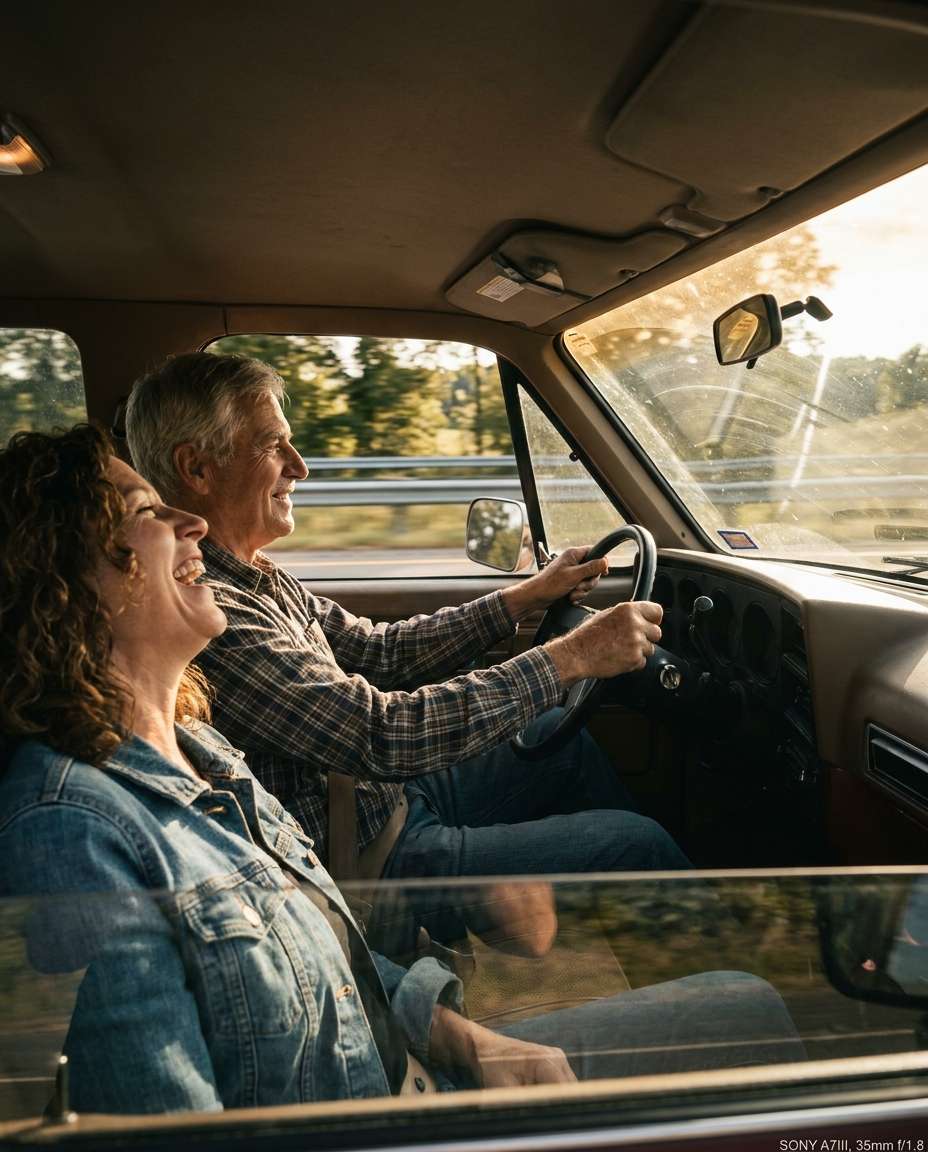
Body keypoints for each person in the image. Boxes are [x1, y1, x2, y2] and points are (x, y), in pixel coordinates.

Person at [0, 426, 804, 1114]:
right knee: (722, 968)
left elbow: (322, 946)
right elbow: (379, 735)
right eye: (148, 513)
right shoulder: (70, 838)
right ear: (67, 587)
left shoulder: (203, 752)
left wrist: (454, 1029)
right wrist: (567, 657)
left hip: (404, 1051)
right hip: (385, 1094)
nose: (191, 525)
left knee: (579, 759)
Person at [124, 353, 689, 956]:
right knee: (638, 843)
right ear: (198, 469)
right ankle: (725, 1021)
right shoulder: (214, 613)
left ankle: (656, 972)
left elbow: (379, 651)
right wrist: (569, 658)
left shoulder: (259, 576)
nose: (301, 468)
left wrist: (526, 596)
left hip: (385, 800)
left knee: (561, 738)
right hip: (368, 861)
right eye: (273, 447)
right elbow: (382, 734)